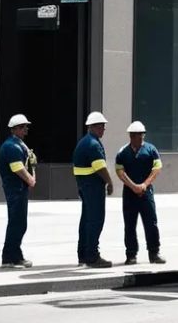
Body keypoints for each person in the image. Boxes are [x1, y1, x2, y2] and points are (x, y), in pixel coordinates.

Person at [115, 121, 165, 265]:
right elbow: (119, 171)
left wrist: (144, 185)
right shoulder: (123, 152)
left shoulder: (151, 150)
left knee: (151, 223)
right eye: (136, 135)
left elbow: (157, 169)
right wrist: (133, 186)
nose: (140, 137)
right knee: (130, 224)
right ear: (131, 136)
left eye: (141, 135)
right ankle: (131, 255)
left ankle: (154, 253)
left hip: (146, 192)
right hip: (129, 194)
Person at [73, 112, 114, 268]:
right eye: (102, 127)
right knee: (95, 220)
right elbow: (100, 167)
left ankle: (83, 254)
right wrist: (109, 182)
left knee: (86, 221)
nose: (103, 130)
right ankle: (92, 256)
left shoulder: (84, 142)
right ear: (94, 127)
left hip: (85, 186)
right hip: (93, 187)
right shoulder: (93, 144)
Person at [0, 114, 36, 269]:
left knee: (20, 223)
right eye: (23, 127)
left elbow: (27, 164)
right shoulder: (12, 147)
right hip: (16, 189)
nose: (26, 129)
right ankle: (9, 258)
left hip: (19, 189)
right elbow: (18, 168)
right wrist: (31, 179)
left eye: (26, 126)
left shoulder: (16, 144)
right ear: (15, 129)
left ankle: (16, 255)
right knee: (16, 223)